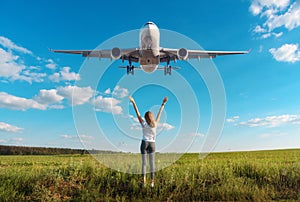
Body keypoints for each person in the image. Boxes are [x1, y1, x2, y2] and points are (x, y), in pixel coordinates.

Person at [129, 95, 168, 187]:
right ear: (151, 117)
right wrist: (163, 104)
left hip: (144, 143)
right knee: (152, 163)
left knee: (144, 163)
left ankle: (143, 182)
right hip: (152, 144)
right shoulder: (155, 124)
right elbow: (160, 113)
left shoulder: (143, 124)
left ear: (146, 118)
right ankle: (152, 183)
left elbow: (137, 113)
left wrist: (133, 102)